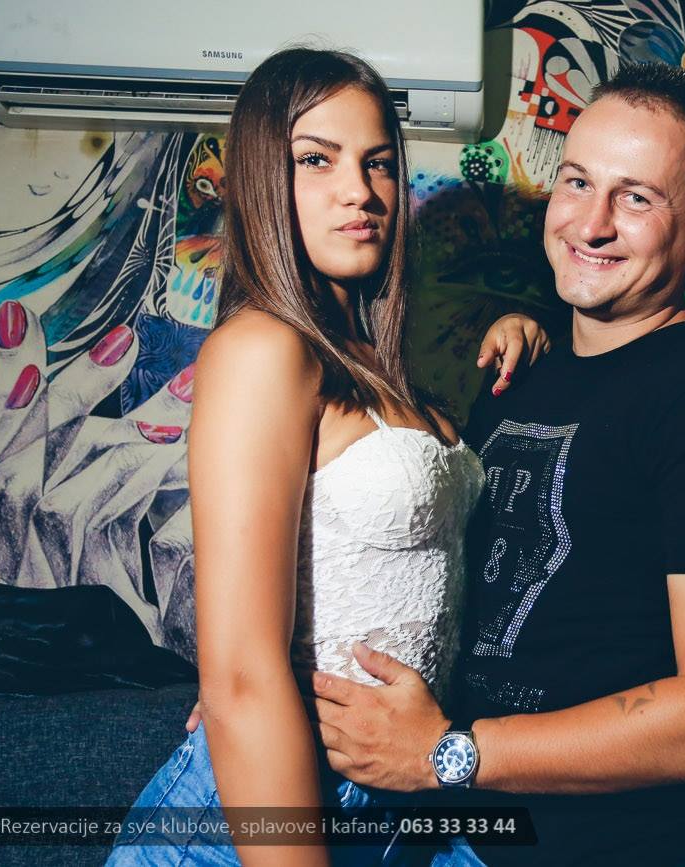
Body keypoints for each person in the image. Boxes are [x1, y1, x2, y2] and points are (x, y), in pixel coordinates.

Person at [310, 63, 685, 867]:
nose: (591, 224)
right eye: (577, 182)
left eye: (636, 198)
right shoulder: (523, 375)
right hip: (462, 831)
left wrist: (448, 752)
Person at [107, 48, 546, 866]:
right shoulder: (263, 347)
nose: (361, 191)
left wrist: (528, 338)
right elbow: (242, 677)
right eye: (317, 159)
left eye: (378, 163)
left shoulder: (376, 365)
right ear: (262, 179)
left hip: (397, 804)